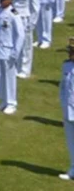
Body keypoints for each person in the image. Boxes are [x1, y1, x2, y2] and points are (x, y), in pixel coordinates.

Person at [0, 0, 23, 114]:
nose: (1, 0)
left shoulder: (13, 14)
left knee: (9, 77)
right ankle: (3, 101)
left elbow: (20, 35)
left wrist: (15, 52)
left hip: (8, 50)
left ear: (10, 0)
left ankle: (11, 103)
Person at [59, 38, 74, 181]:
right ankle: (73, 168)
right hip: (68, 109)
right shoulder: (67, 66)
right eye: (70, 51)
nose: (70, 53)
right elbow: (63, 86)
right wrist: (63, 103)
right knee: (71, 142)